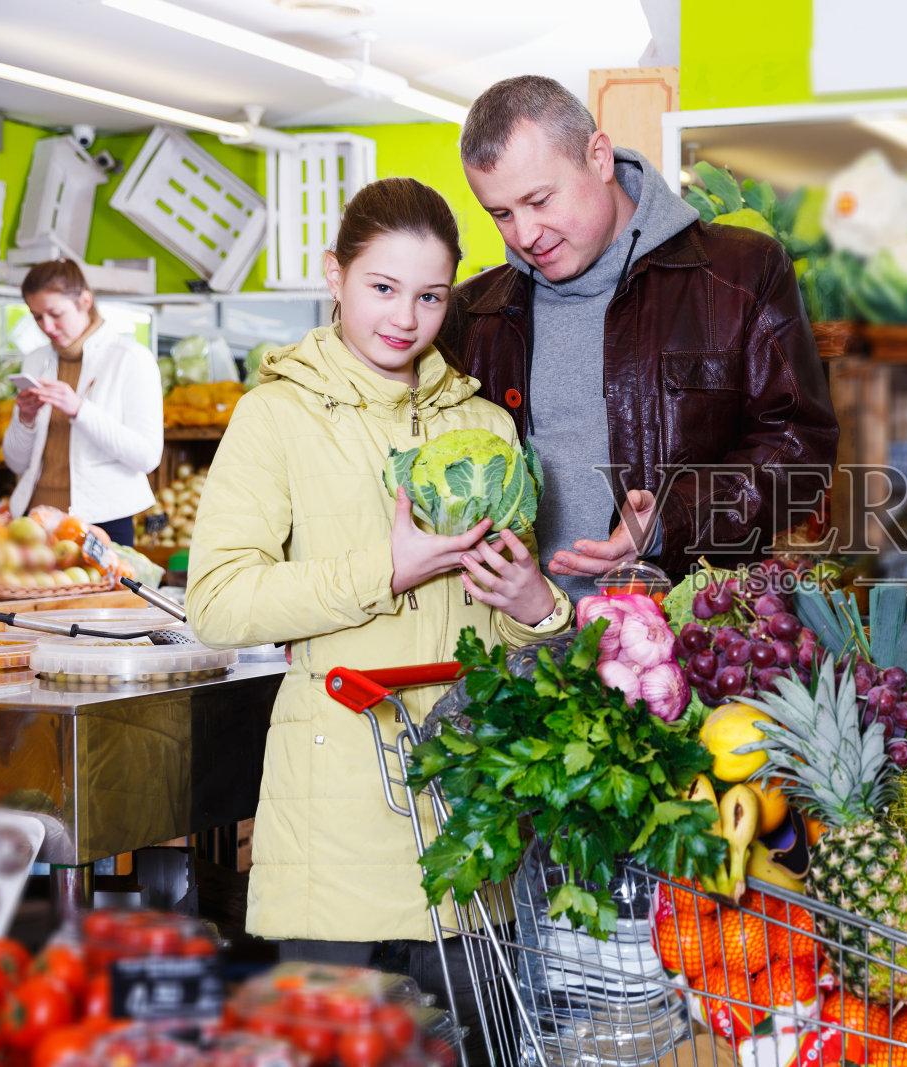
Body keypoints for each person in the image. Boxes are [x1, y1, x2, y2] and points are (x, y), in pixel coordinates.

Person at [186, 177, 572, 962]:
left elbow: (512, 638)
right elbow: (218, 602)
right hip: (337, 831)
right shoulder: (275, 415)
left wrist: (536, 605)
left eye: (431, 296)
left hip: (472, 822)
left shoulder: (487, 425)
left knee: (478, 1028)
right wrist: (384, 570)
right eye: (383, 288)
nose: (405, 318)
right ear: (335, 275)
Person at [445, 75, 839, 605]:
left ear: (599, 158)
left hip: (684, 631)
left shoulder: (743, 273)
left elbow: (800, 448)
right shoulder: (470, 312)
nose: (525, 235)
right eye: (501, 214)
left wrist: (670, 520)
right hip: (513, 636)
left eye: (539, 200)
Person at [2, 260, 163, 545]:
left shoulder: (131, 358)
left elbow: (147, 457)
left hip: (102, 522)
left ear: (85, 301)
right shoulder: (35, 361)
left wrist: (79, 410)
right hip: (35, 520)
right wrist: (25, 420)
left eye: (55, 314)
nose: (46, 326)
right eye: (37, 317)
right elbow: (16, 463)